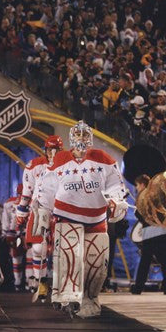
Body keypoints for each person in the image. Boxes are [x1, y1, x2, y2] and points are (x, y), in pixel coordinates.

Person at [37, 120, 128, 318]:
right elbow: (48, 187)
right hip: (67, 215)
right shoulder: (61, 159)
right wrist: (44, 210)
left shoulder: (103, 158)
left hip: (96, 216)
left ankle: (90, 298)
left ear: (90, 139)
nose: (81, 140)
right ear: (71, 139)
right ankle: (67, 295)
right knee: (71, 256)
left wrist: (116, 200)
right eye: (78, 136)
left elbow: (115, 184)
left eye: (85, 136)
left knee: (96, 262)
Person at [16, 135, 64, 300]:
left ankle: (60, 284)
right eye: (50, 149)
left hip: (62, 211)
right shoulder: (35, 165)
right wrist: (21, 211)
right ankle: (41, 281)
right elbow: (27, 189)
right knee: (38, 248)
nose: (52, 153)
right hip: (41, 209)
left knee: (62, 249)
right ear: (45, 150)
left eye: (56, 149)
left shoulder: (67, 165)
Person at [131, 175, 166, 295]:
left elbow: (140, 215)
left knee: (145, 261)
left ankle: (138, 288)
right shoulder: (159, 195)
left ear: (142, 184)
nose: (136, 188)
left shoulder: (142, 197)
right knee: (165, 261)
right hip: (164, 231)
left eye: (137, 185)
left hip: (150, 232)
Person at [2, 184, 24, 291]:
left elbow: (7, 220)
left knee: (16, 256)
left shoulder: (9, 202)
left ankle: (18, 281)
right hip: (24, 232)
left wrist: (5, 233)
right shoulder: (33, 200)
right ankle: (29, 282)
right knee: (29, 256)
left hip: (14, 232)